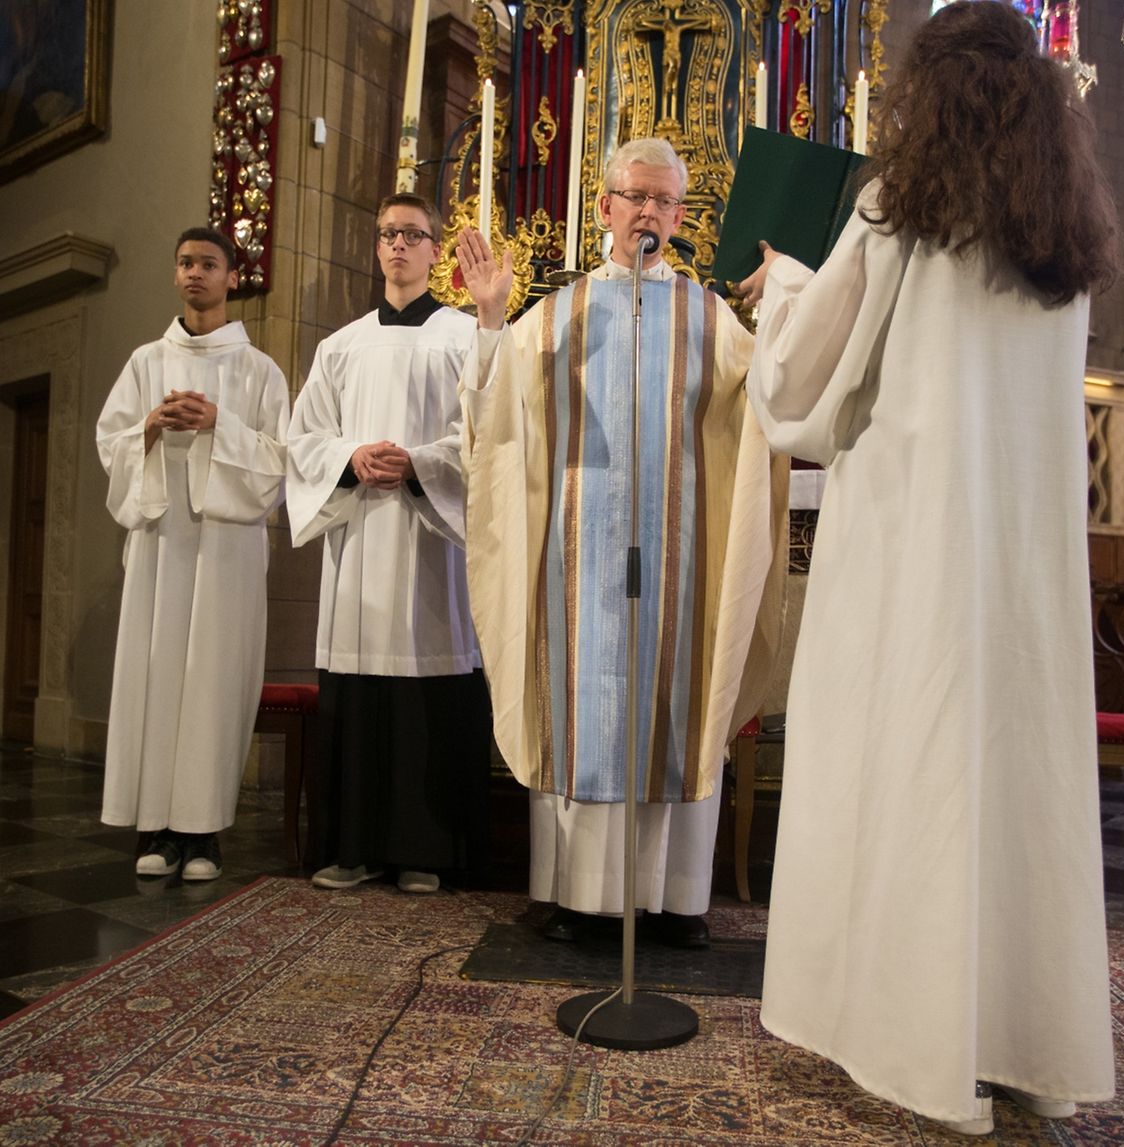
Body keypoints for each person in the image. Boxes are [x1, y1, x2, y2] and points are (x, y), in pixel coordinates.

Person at [737, 2, 1121, 1135]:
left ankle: (915, 1040)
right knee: (1014, 783)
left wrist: (783, 282)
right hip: (1023, 564)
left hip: (912, 547)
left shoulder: (899, 212)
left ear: (929, 93)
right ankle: (1025, 1046)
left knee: (910, 765)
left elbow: (800, 384)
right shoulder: (1063, 239)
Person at [456, 137, 787, 947]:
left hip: (683, 556)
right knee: (585, 700)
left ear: (680, 216)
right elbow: (495, 420)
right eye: (636, 196)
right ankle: (577, 895)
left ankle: (674, 900)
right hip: (578, 559)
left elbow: (773, 400)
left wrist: (785, 303)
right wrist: (492, 319)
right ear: (604, 207)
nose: (649, 212)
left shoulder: (711, 318)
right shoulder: (555, 315)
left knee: (678, 701)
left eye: (665, 201)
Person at [287, 193, 491, 895]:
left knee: (430, 688)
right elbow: (303, 440)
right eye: (387, 234)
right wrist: (350, 458)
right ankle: (352, 848)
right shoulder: (340, 347)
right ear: (376, 248)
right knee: (357, 686)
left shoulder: (464, 336)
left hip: (432, 542)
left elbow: (487, 433)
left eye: (412, 234)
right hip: (359, 543)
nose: (398, 244)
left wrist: (421, 464)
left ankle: (423, 850)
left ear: (435, 249)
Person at [97, 226, 289, 881]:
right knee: (155, 671)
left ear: (232, 276)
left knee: (212, 677)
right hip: (161, 544)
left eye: (208, 263)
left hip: (226, 551)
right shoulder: (146, 362)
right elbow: (111, 444)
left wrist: (218, 425)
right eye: (185, 262)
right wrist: (150, 427)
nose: (194, 273)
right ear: (175, 274)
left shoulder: (259, 370)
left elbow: (280, 463)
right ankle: (155, 828)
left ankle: (202, 834)